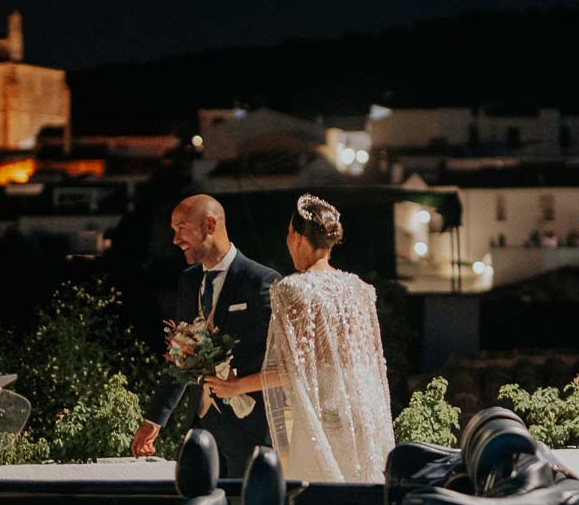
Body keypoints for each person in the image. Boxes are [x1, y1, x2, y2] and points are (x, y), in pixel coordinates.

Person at [205, 193, 395, 483]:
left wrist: (237, 386)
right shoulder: (361, 290)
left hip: (323, 417)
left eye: (288, 233)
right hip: (363, 416)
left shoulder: (293, 290)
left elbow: (293, 371)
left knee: (318, 500)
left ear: (296, 236)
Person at [131, 195, 280, 478]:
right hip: (201, 430)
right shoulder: (188, 281)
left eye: (181, 228)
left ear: (210, 224)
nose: (175, 239)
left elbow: (280, 360)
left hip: (249, 431)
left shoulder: (261, 281)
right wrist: (155, 419)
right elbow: (182, 357)